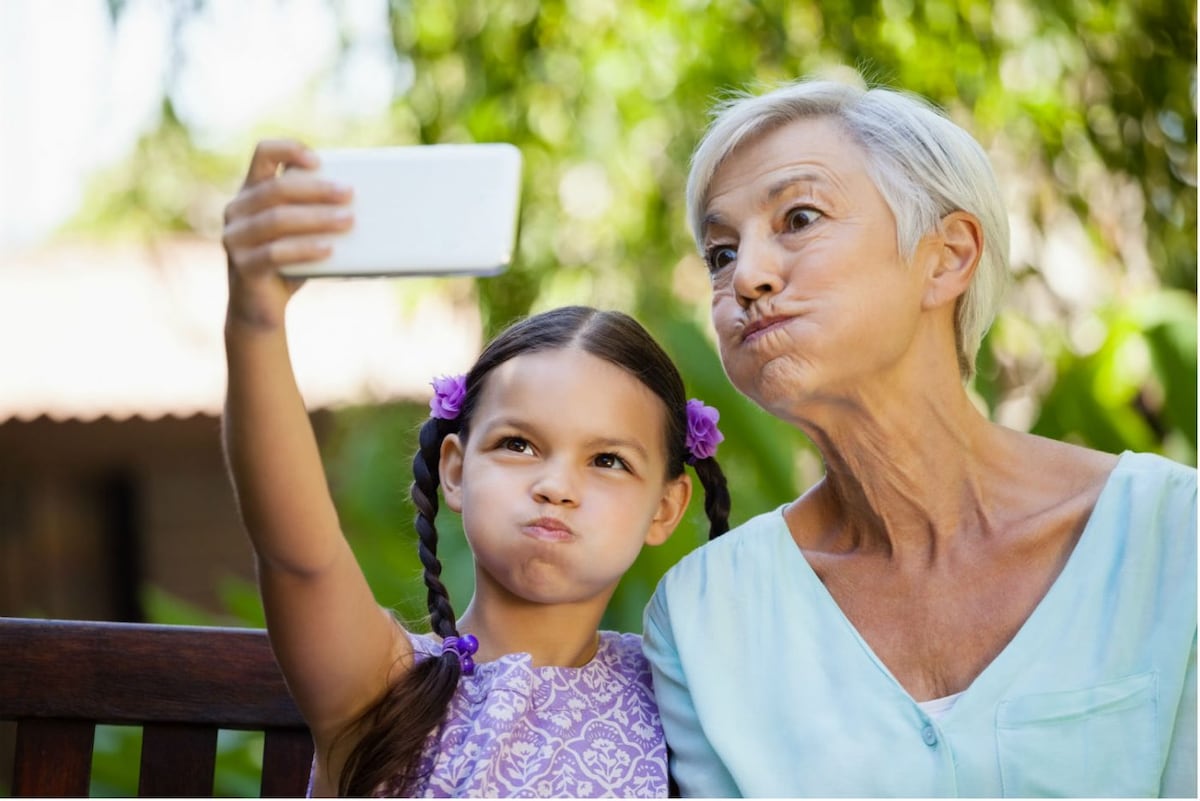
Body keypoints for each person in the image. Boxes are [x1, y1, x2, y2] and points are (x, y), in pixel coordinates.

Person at [643, 74, 1197, 797]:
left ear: (948, 256)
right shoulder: (702, 617)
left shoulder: (1173, 533)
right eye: (720, 254)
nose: (746, 275)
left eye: (799, 218)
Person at [220, 140, 731, 797]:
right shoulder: (381, 684)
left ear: (665, 507)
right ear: (456, 470)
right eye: (518, 445)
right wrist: (256, 319)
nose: (555, 486)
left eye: (607, 460)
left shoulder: (684, 701)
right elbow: (299, 555)